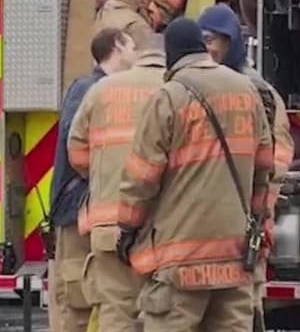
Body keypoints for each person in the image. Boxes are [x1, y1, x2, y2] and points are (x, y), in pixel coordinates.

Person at [115, 18, 273, 331]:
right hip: (235, 255)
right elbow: (264, 167)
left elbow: (142, 177)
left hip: (181, 257)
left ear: (172, 55)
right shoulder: (247, 91)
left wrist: (128, 227)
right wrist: (256, 219)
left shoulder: (169, 97)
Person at [197, 4, 294, 332]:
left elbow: (277, 152)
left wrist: (262, 203)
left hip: (247, 212)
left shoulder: (258, 90)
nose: (209, 47)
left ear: (232, 42)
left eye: (215, 40)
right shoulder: (198, 84)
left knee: (246, 298)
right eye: (204, 40)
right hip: (212, 211)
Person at [66, 35, 167, 330]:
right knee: (164, 313)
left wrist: (103, 177)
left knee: (115, 310)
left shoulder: (101, 90)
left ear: (140, 54)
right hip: (161, 227)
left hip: (109, 225)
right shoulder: (177, 90)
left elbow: (76, 152)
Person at [50, 27, 138, 332]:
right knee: (77, 297)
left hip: (92, 206)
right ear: (116, 46)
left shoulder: (106, 89)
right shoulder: (87, 88)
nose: (136, 53)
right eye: (131, 46)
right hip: (77, 207)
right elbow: (74, 145)